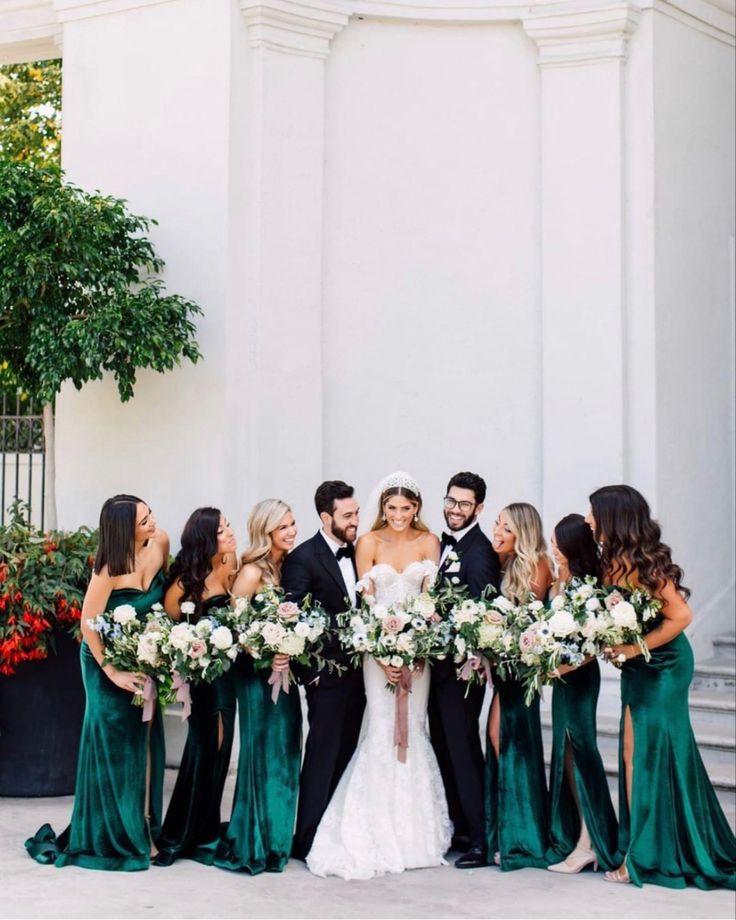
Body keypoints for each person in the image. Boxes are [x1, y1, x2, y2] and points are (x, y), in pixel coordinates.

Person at [306, 471, 452, 879]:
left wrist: (414, 646)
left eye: (406, 508)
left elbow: (431, 602)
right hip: (376, 656)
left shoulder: (429, 542)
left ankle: (414, 832)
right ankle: (371, 823)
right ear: (382, 507)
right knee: (382, 727)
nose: (399, 515)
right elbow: (363, 608)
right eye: (392, 508)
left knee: (414, 727)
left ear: (417, 508)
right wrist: (383, 651)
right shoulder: (368, 543)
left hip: (417, 657)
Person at [589, 484, 736, 889]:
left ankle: (644, 855)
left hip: (665, 664)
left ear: (614, 517)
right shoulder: (610, 560)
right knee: (635, 754)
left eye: (594, 513)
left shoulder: (641, 562)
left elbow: (681, 616)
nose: (589, 520)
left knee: (645, 756)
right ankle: (645, 845)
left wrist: (632, 649)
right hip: (639, 667)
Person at [25, 494, 169, 871]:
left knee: (146, 740)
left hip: (144, 653)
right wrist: (112, 671)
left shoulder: (162, 544)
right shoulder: (109, 568)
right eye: (143, 521)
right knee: (114, 743)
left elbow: (163, 603)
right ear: (124, 530)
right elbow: (89, 622)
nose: (152, 523)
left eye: (150, 514)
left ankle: (145, 828)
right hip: (103, 660)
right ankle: (110, 833)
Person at [214, 499, 302, 874]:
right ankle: (254, 838)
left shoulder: (288, 566)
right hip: (254, 676)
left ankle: (279, 837)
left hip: (285, 673)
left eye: (293, 524)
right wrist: (267, 653)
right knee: (261, 752)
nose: (291, 531)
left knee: (286, 748)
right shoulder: (251, 572)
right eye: (283, 527)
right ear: (266, 531)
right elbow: (234, 628)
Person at [282, 480, 365, 862]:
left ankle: (334, 829)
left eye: (356, 513)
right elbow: (292, 620)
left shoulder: (359, 552)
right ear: (325, 517)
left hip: (359, 676)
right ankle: (308, 837)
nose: (354, 520)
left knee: (346, 751)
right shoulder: (303, 558)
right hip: (326, 678)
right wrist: (310, 675)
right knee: (321, 754)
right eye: (347, 515)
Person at [154, 508, 238, 866]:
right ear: (206, 537)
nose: (230, 532)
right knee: (207, 747)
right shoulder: (182, 585)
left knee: (221, 749)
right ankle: (185, 830)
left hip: (228, 676)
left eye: (229, 525)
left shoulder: (227, 564)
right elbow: (174, 633)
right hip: (206, 681)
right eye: (223, 529)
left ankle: (204, 825)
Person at [429, 471, 501, 869]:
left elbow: (482, 614)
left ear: (479, 508)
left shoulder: (481, 552)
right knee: (441, 745)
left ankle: (480, 837)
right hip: (435, 671)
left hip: (463, 672)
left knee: (462, 749)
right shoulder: (440, 544)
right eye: (451, 501)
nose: (454, 510)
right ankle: (457, 826)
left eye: (463, 504)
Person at [546, 513, 619, 874]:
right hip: (562, 679)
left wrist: (558, 668)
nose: (552, 549)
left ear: (570, 546)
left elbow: (591, 647)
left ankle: (590, 842)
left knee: (582, 753)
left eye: (556, 544)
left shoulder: (589, 588)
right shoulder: (564, 579)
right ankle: (579, 836)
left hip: (578, 678)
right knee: (567, 754)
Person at [486, 501, 553, 870]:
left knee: (508, 741)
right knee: (499, 740)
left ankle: (522, 834)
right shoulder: (504, 563)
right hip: (504, 671)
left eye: (506, 528)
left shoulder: (538, 564)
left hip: (520, 670)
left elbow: (532, 620)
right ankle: (506, 829)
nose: (498, 532)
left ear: (522, 534)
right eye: (497, 524)